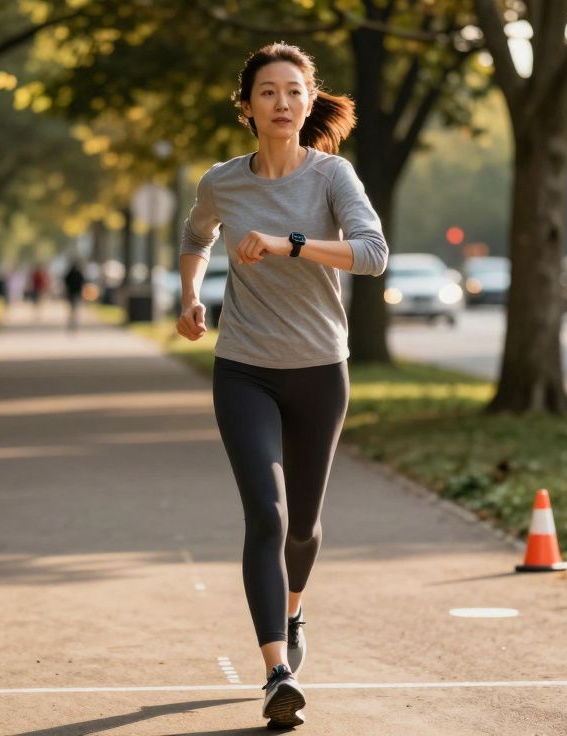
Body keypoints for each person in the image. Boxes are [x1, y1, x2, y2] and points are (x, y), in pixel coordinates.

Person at [175, 42, 387, 729]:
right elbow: (195, 235)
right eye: (268, 92)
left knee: (302, 526)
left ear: (308, 99)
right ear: (247, 106)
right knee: (265, 516)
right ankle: (277, 672)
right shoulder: (223, 181)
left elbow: (373, 255)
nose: (283, 103)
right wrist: (189, 297)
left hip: (321, 370)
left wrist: (291, 242)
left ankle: (295, 610)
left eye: (294, 91)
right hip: (243, 368)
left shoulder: (332, 177)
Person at [62, 258, 86, 334]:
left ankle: (72, 320)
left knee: (72, 308)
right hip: (75, 293)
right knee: (74, 308)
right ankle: (73, 320)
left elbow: (66, 283)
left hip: (72, 293)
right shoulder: (78, 273)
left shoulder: (70, 273)